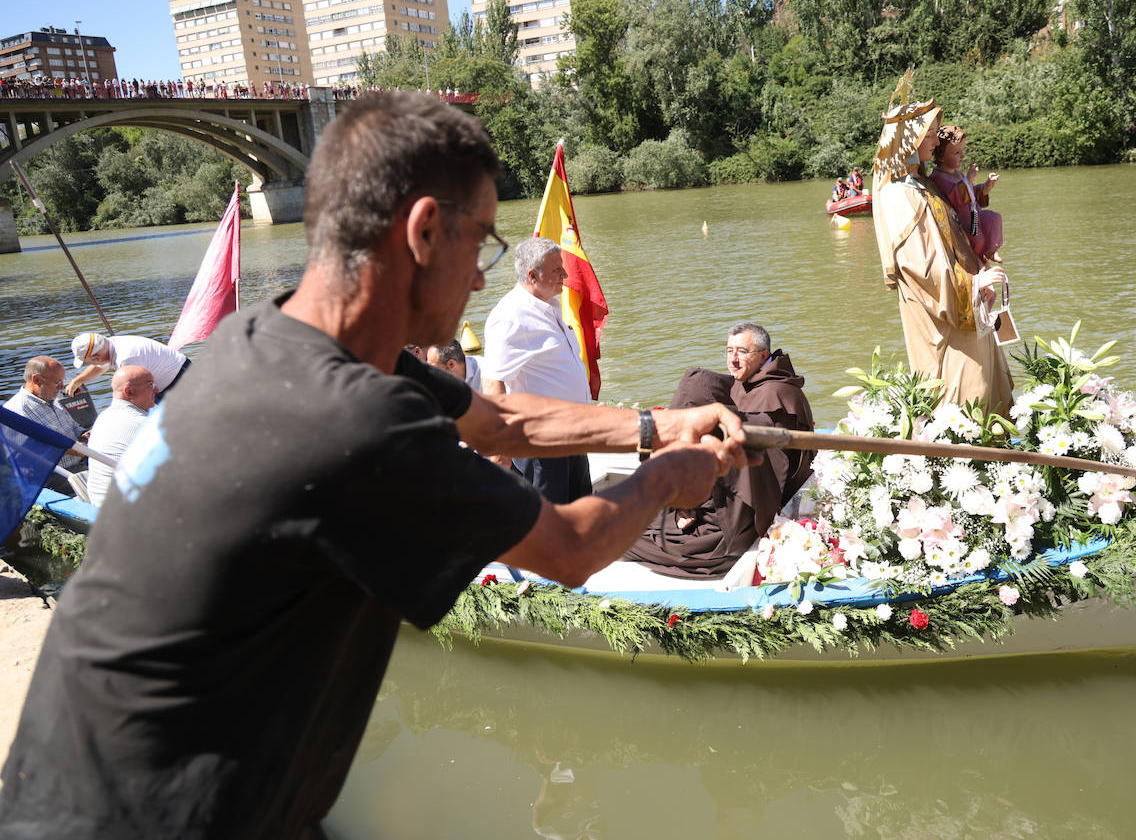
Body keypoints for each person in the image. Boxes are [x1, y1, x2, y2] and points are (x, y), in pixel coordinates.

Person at [0, 90, 749, 840]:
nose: (485, 278)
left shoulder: (274, 333)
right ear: (424, 231)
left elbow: (502, 421)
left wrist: (658, 424)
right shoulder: (355, 421)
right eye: (482, 242)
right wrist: (668, 477)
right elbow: (570, 549)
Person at [622, 322, 815, 579]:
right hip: (733, 491)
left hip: (744, 514)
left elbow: (763, 473)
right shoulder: (751, 381)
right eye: (728, 351)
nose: (733, 360)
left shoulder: (776, 396)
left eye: (741, 352)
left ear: (763, 356)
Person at [870, 78, 1013, 416]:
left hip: (966, 299)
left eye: (935, 134)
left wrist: (981, 262)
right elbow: (919, 267)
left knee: (990, 394)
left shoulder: (923, 183)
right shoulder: (899, 193)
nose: (935, 142)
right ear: (908, 138)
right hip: (944, 311)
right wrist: (972, 284)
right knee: (966, 400)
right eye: (929, 134)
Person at [482, 237, 594, 503]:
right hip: (542, 444)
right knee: (549, 521)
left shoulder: (550, 307)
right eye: (557, 270)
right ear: (533, 275)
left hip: (573, 436)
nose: (565, 275)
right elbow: (492, 383)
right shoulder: (511, 316)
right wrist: (500, 448)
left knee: (580, 511)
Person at [3, 355, 87, 494]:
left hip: (80, 463)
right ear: (36, 379)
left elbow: (73, 427)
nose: (61, 387)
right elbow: (30, 451)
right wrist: (74, 449)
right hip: (54, 477)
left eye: (62, 381)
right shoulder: (16, 412)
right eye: (57, 382)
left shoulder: (51, 399)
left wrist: (83, 434)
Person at [929, 125, 1003, 264]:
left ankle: (992, 251)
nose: (962, 156)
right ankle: (979, 260)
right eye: (957, 152)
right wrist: (968, 180)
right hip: (964, 221)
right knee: (978, 238)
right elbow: (955, 197)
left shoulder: (957, 173)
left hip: (975, 214)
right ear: (941, 156)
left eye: (962, 151)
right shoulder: (938, 177)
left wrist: (985, 188)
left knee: (994, 218)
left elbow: (970, 193)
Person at [84, 366, 156, 508]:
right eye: (150, 385)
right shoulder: (141, 424)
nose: (157, 389)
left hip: (100, 504)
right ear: (129, 391)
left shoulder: (104, 416)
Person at [67, 332, 189, 402]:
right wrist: (77, 381)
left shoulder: (125, 359)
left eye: (88, 362)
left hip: (180, 382)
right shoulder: (110, 344)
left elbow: (141, 394)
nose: (90, 365)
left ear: (97, 357)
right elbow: (100, 367)